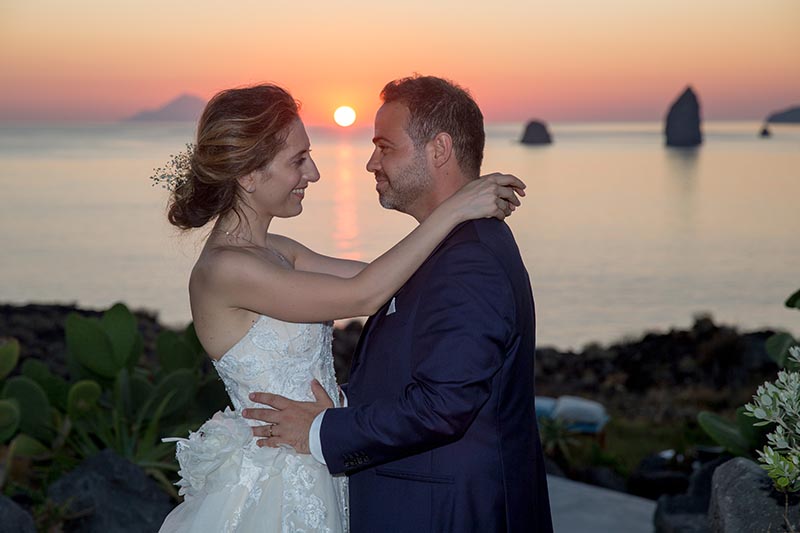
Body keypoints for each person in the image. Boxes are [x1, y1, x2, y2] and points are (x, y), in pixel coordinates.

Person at [157, 83, 525, 532]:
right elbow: (365, 296)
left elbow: (392, 279)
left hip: (317, 456)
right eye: (298, 160)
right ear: (250, 174)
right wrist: (453, 210)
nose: (313, 174)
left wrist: (465, 226)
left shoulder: (279, 250)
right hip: (279, 478)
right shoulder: (226, 270)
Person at [244, 76, 553, 532]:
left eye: (385, 147)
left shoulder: (470, 260)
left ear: (439, 149)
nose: (371, 162)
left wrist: (320, 431)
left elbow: (443, 406)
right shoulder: (450, 245)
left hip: (447, 515)